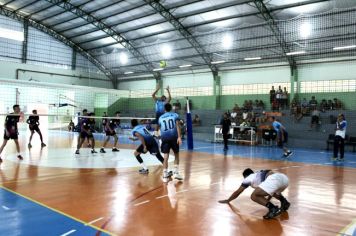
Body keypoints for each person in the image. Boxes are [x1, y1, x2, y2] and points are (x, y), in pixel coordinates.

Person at [218, 168, 290, 219]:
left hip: (274, 180)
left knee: (254, 196)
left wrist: (228, 200)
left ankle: (273, 209)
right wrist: (267, 199)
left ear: (245, 176)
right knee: (269, 190)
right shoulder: (258, 174)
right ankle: (284, 202)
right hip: (284, 179)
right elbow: (270, 191)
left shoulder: (248, 178)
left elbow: (238, 192)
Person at [158, 103, 183, 182]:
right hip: (174, 138)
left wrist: (160, 138)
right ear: (171, 108)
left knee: (165, 157)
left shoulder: (160, 117)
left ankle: (165, 175)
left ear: (164, 109)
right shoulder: (175, 115)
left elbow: (160, 128)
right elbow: (177, 125)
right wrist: (179, 137)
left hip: (165, 138)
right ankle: (176, 173)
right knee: (176, 154)